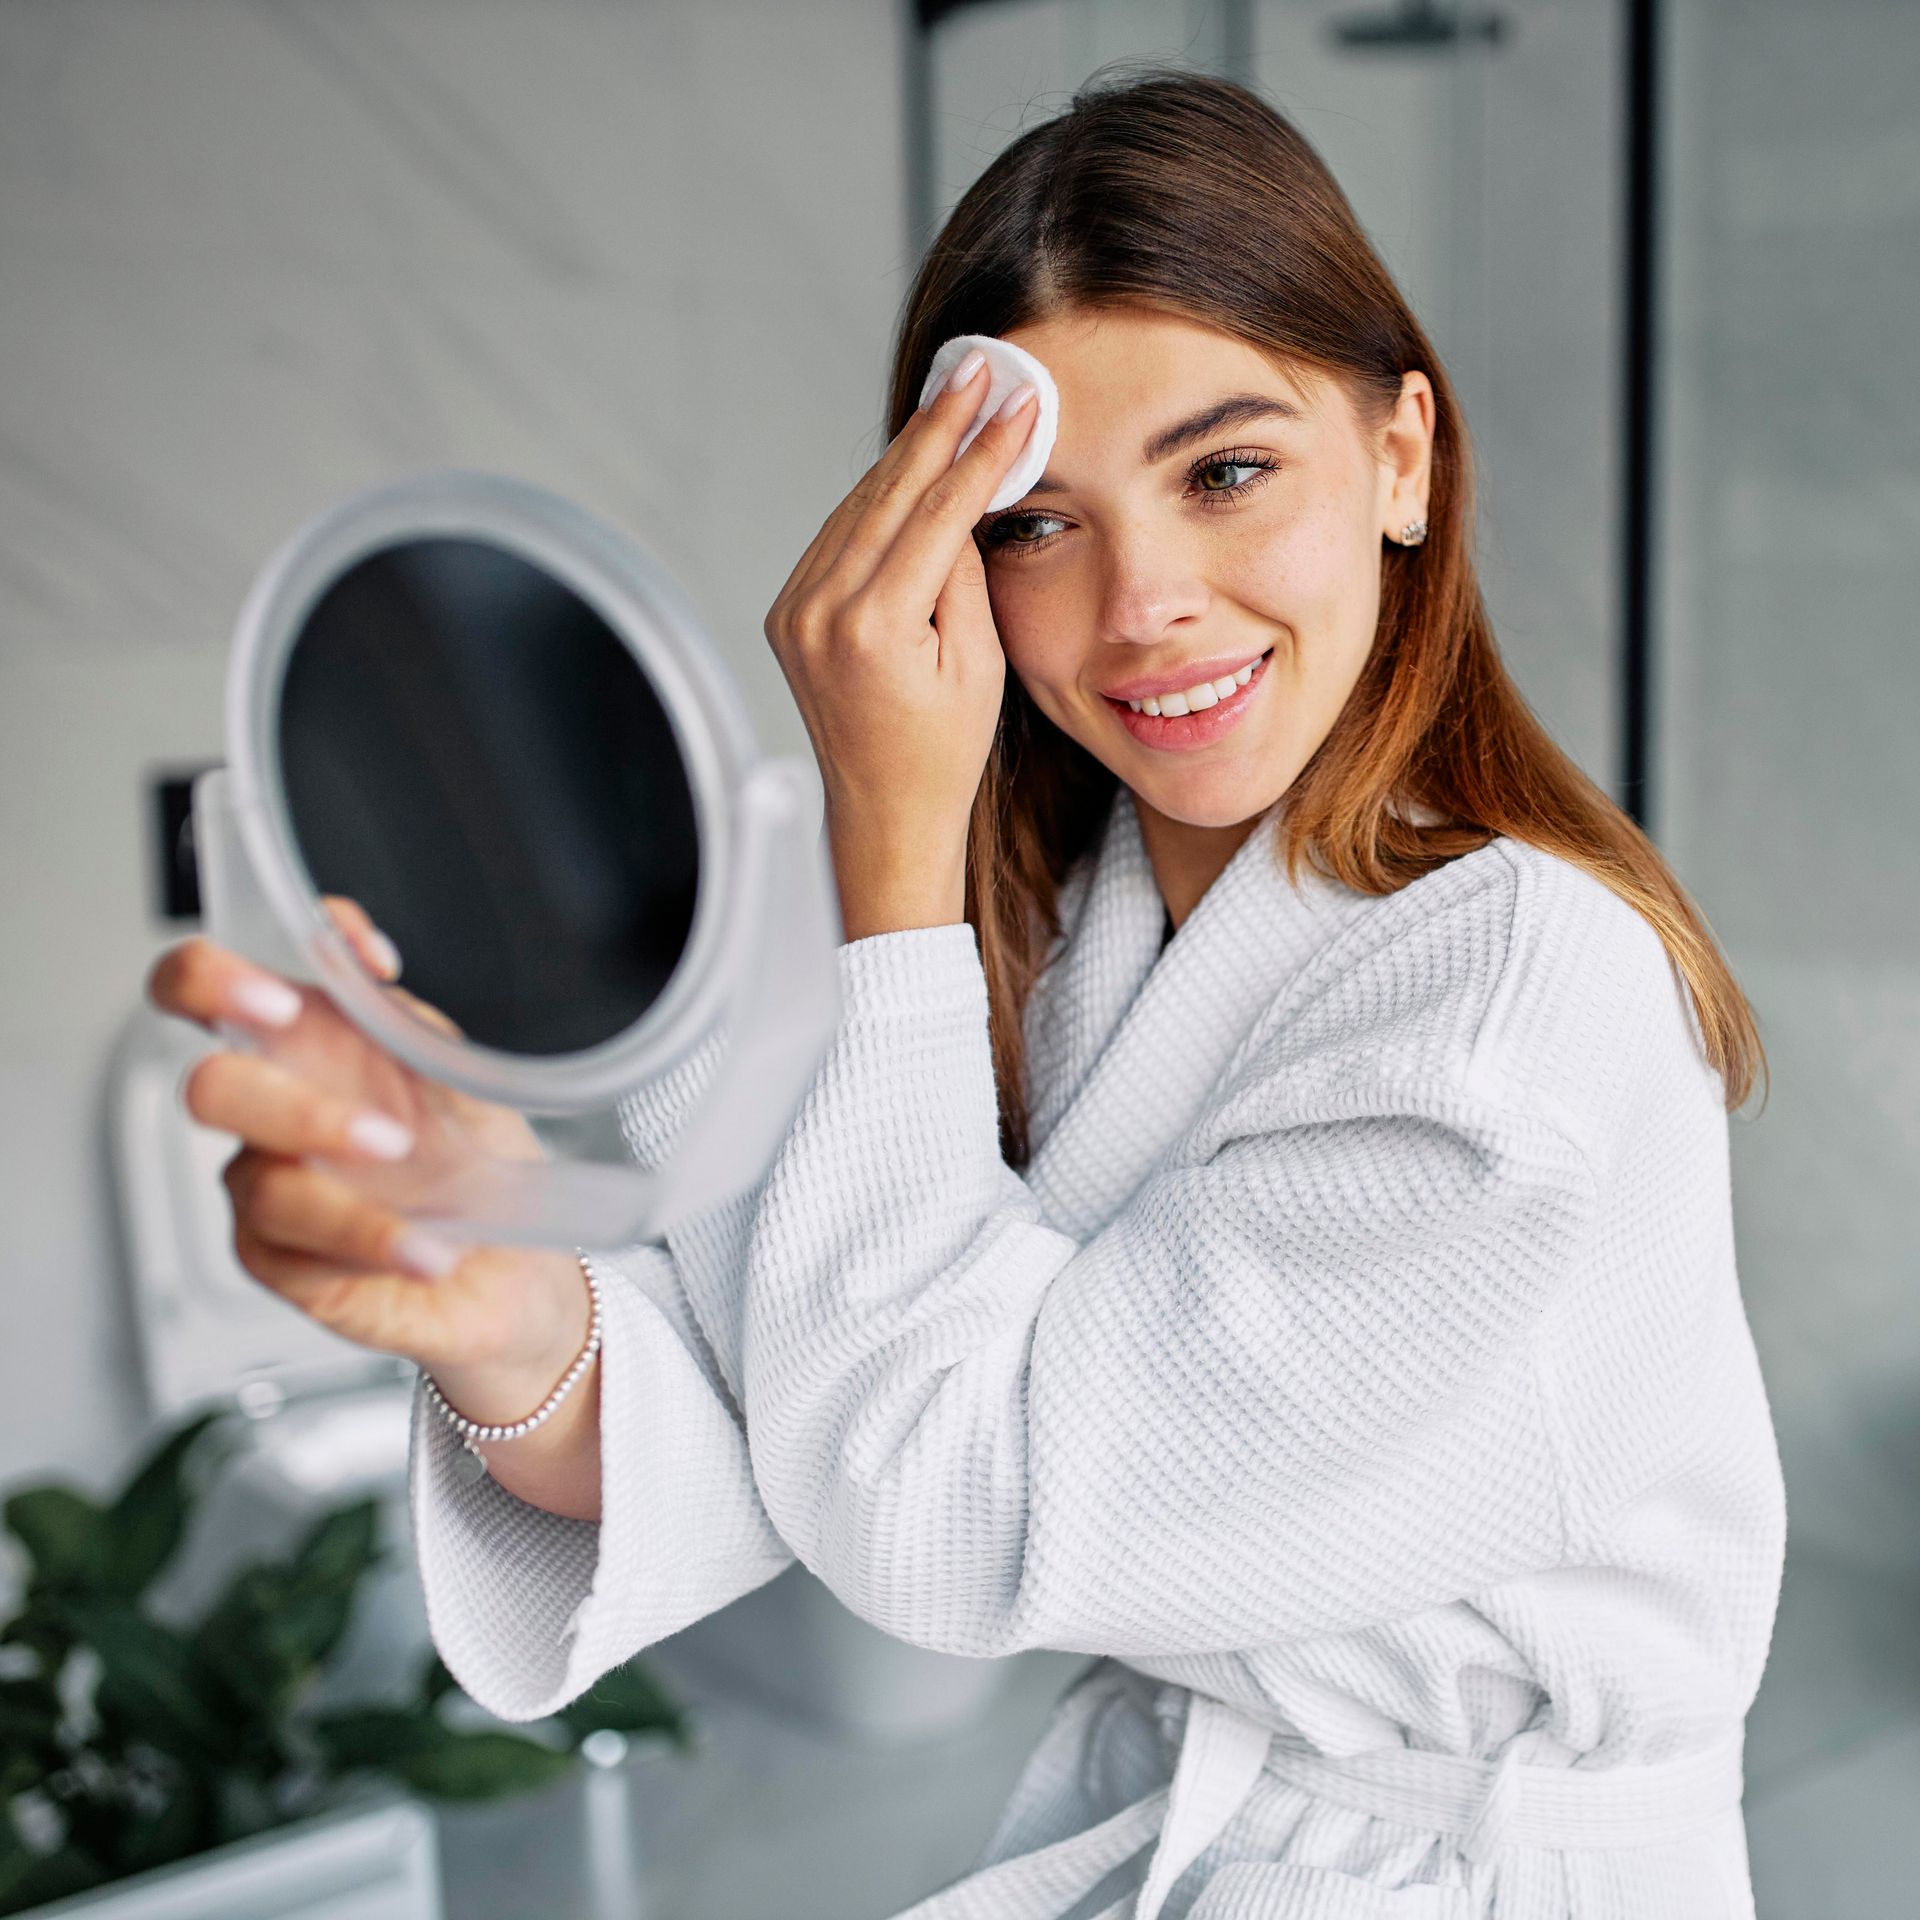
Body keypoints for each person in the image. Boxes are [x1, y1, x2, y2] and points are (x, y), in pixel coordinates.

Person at [149, 67, 1785, 1920]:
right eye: (1034, 522)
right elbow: (799, 1416)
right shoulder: (1065, 929)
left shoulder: (1509, 1003)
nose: (1141, 601)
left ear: (1402, 455)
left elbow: (939, 1510)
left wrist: (885, 847)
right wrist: (492, 1298)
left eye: (1226, 470)